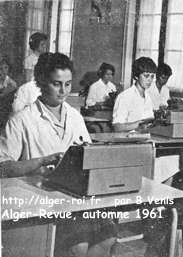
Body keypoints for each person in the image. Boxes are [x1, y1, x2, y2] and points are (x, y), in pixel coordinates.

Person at [0, 52, 116, 257]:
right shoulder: (21, 120)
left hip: (75, 198)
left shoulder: (74, 116)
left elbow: (88, 154)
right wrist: (42, 161)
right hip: (39, 201)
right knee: (78, 246)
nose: (63, 91)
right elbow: (3, 167)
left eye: (68, 84)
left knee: (109, 236)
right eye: (57, 84)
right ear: (41, 81)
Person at [112, 56, 156, 132]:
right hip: (128, 140)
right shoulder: (125, 97)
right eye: (146, 76)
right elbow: (117, 127)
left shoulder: (148, 97)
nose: (149, 80)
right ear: (136, 76)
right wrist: (138, 125)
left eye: (152, 76)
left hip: (145, 138)